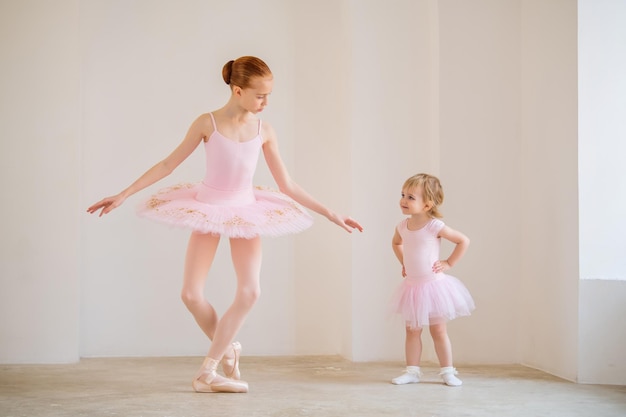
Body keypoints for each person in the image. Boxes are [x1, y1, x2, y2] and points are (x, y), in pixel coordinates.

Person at [87, 56, 363, 394]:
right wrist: (124, 193)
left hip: (246, 210)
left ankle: (208, 371)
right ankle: (228, 346)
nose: (266, 102)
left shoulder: (264, 130)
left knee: (250, 291)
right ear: (237, 90)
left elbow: (287, 185)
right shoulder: (207, 123)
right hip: (207, 208)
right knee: (190, 294)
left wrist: (331, 213)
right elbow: (168, 164)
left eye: (269, 95)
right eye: (260, 95)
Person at [389, 173, 474, 387]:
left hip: (434, 287)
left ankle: (447, 371)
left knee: (438, 330)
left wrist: (449, 263)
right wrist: (404, 264)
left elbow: (463, 240)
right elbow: (397, 244)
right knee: (412, 330)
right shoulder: (402, 226)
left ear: (427, 205)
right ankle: (412, 371)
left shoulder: (434, 226)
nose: (403, 200)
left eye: (410, 197)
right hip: (412, 287)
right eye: (403, 195)